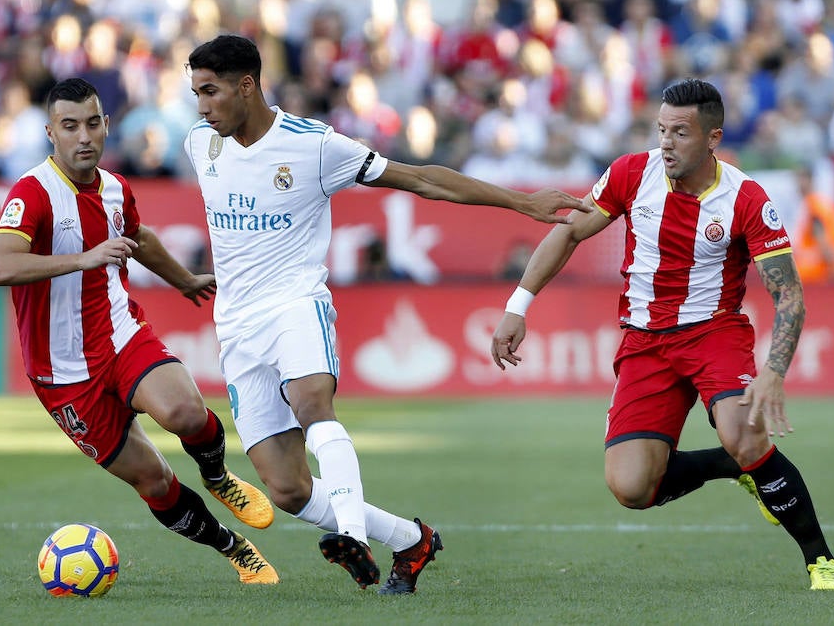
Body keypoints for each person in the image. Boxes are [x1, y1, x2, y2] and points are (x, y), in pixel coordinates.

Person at [183, 34, 587, 594]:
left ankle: (352, 536)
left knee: (311, 403)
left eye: (210, 91)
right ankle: (411, 540)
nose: (201, 106)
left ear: (246, 85)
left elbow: (422, 178)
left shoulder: (314, 145)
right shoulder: (200, 144)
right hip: (237, 326)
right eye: (196, 92)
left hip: (296, 305)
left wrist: (521, 202)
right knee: (287, 489)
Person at [491, 78, 834, 591]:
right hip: (645, 341)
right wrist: (517, 306)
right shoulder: (632, 173)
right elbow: (569, 230)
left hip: (714, 334)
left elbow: (789, 295)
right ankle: (733, 466)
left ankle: (821, 561)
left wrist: (773, 373)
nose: (666, 142)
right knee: (632, 487)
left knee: (745, 432)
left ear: (713, 138)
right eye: (661, 129)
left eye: (680, 132)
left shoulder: (745, 198)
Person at [0, 78, 278, 585]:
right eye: (70, 126)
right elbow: (0, 266)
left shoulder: (117, 188)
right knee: (155, 479)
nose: (84, 137)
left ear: (107, 126)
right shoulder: (32, 193)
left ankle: (217, 477)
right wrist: (85, 258)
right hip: (62, 375)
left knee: (185, 412)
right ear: (50, 132)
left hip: (120, 335)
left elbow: (137, 236)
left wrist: (183, 280)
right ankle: (233, 548)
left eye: (93, 124)